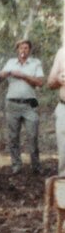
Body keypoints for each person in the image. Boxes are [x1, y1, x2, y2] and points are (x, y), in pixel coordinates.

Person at [0, 39, 45, 174]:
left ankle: (36, 166)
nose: (23, 51)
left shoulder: (35, 63)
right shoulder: (11, 63)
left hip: (29, 105)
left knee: (32, 136)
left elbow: (40, 82)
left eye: (26, 48)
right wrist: (1, 75)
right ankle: (16, 165)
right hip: (12, 104)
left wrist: (22, 75)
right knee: (13, 137)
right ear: (17, 50)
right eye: (21, 48)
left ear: (30, 50)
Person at [45, 45, 65, 175]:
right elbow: (50, 82)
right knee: (64, 150)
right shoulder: (62, 53)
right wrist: (58, 79)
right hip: (64, 107)